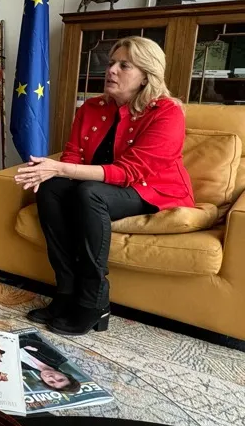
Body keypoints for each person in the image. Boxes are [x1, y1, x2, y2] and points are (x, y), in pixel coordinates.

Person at [15, 37, 194, 336]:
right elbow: (72, 153)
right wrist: (51, 170)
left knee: (89, 193)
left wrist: (61, 167)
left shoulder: (167, 112)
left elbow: (131, 172)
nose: (111, 70)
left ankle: (93, 300)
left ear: (146, 75)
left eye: (124, 65)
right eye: (111, 63)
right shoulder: (92, 107)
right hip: (103, 186)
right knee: (52, 188)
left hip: (153, 189)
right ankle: (66, 290)